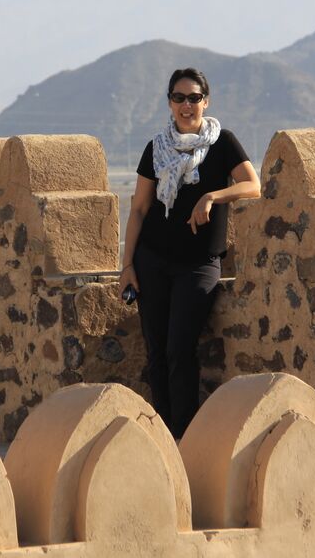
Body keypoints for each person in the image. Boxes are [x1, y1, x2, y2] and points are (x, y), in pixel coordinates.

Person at [119, 68, 261, 438]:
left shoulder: (222, 142)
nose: (187, 105)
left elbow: (252, 185)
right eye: (179, 98)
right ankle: (162, 435)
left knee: (181, 349)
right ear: (169, 102)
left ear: (206, 101)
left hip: (199, 264)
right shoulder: (156, 148)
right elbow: (139, 209)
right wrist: (127, 265)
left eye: (194, 98)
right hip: (153, 261)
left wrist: (213, 195)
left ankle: (184, 436)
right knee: (157, 353)